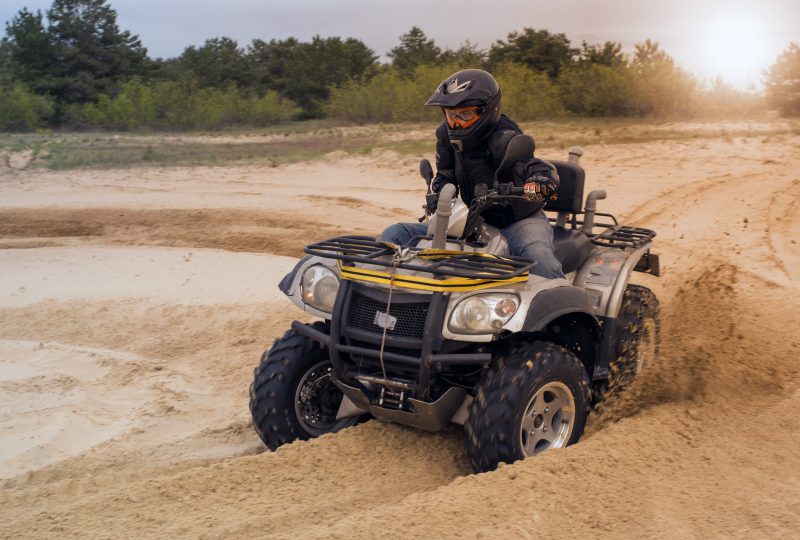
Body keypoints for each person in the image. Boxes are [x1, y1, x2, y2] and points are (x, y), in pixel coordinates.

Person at [379, 68, 565, 279]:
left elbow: (537, 166)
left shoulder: (504, 138)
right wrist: (439, 194)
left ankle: (567, 307)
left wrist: (540, 181)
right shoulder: (446, 136)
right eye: (451, 115)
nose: (456, 123)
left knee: (538, 258)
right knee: (394, 234)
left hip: (518, 221)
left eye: (465, 114)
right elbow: (445, 175)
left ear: (487, 110)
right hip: (474, 220)